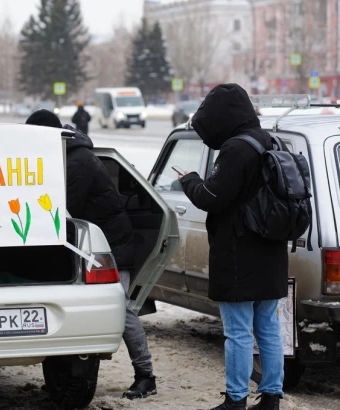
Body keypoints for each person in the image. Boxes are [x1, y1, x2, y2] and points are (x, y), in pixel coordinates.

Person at [25, 109, 157, 400]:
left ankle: (146, 376)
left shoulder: (77, 161)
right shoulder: (64, 156)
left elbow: (61, 209)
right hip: (91, 244)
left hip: (112, 246)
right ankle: (61, 374)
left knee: (121, 310)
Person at [179, 84, 287, 410]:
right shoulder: (271, 140)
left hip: (239, 254)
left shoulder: (237, 149)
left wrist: (190, 180)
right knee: (268, 328)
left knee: (238, 331)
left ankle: (235, 400)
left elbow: (212, 197)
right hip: (270, 250)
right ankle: (271, 397)